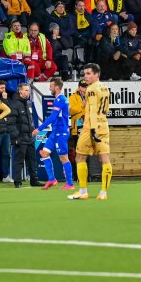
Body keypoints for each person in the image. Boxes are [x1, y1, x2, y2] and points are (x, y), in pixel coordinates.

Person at [69, 62, 112, 201]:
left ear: (96, 74)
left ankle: (83, 192)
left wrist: (92, 129)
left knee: (80, 157)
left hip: (91, 127)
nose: (85, 76)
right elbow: (106, 108)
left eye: (88, 74)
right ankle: (103, 193)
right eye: (84, 73)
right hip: (104, 124)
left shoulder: (91, 89)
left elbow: (93, 110)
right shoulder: (105, 87)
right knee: (104, 159)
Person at [35, 77, 74, 190]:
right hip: (55, 132)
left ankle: (70, 184)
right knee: (44, 153)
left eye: (51, 86)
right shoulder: (58, 99)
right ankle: (52, 179)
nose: (49, 88)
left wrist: (40, 128)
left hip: (61, 132)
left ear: (57, 87)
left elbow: (53, 117)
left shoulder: (60, 99)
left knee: (64, 158)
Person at [7, 82, 40, 187]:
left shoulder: (29, 103)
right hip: (20, 138)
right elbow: (11, 122)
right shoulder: (14, 104)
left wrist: (33, 130)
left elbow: (31, 120)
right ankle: (17, 182)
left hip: (29, 137)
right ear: (20, 91)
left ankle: (34, 180)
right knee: (19, 160)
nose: (27, 92)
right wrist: (15, 137)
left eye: (28, 90)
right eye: (25, 90)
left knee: (32, 160)